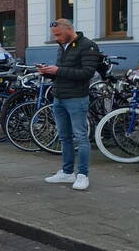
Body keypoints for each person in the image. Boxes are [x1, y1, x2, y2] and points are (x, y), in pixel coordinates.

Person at [39, 19, 100, 191]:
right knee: (64, 136)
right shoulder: (62, 45)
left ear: (69, 29)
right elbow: (64, 72)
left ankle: (83, 175)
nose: (56, 38)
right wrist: (49, 73)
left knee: (80, 136)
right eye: (54, 35)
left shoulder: (88, 46)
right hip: (59, 97)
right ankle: (67, 173)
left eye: (58, 34)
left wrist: (58, 70)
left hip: (76, 98)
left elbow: (87, 73)